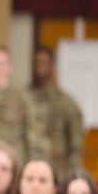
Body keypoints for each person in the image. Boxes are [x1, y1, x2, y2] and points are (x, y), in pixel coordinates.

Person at [0, 45, 49, 163]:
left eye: (0, 63)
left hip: (15, 164)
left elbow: (35, 138)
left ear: (9, 67)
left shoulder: (23, 99)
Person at [30, 46, 84, 178]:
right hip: (29, 168)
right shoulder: (23, 98)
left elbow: (76, 145)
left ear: (52, 65)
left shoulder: (66, 103)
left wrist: (74, 176)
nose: (40, 67)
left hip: (58, 171)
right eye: (36, 63)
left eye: (44, 63)